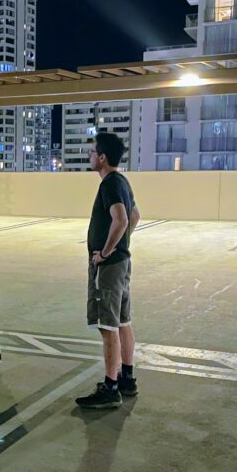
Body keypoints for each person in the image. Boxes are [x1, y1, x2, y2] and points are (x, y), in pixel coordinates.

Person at [76, 132, 140, 409]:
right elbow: (135, 216)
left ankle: (111, 387)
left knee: (108, 326)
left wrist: (105, 251)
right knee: (123, 321)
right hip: (122, 264)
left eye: (92, 152)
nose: (90, 156)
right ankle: (127, 378)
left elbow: (122, 219)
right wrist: (121, 245)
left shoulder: (109, 184)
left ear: (102, 157)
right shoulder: (122, 182)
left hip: (110, 267)